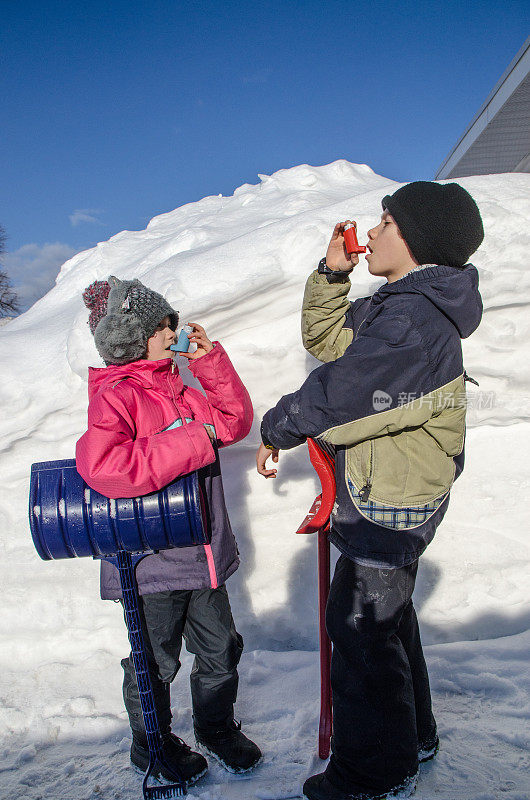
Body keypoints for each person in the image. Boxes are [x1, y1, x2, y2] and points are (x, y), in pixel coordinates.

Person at [256, 182, 484, 800]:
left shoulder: (410, 320)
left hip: (392, 500)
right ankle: (412, 736)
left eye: (385, 222)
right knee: (385, 622)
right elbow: (329, 346)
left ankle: (373, 773)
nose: (371, 233)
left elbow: (343, 391)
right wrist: (333, 275)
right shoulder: (400, 305)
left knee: (360, 631)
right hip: (389, 486)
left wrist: (278, 425)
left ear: (413, 238)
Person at [76, 275, 261, 788]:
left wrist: (208, 363)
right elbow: (105, 467)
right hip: (150, 562)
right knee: (154, 661)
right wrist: (188, 443)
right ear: (134, 339)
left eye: (171, 324)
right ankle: (151, 743)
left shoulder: (181, 385)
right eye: (161, 326)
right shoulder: (115, 395)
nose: (172, 332)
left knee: (221, 648)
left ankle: (217, 728)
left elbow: (232, 423)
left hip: (202, 554)